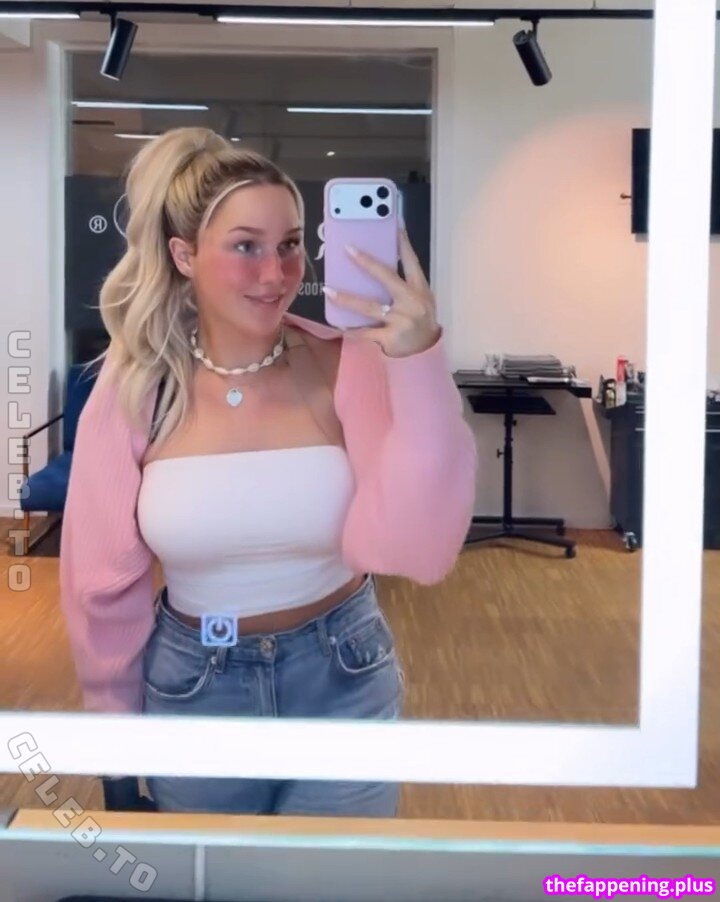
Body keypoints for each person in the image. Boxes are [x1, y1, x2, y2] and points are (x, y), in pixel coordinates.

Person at [59, 127, 478, 817]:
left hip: (343, 676)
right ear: (185, 255)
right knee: (213, 874)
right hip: (196, 688)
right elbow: (98, 584)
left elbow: (422, 549)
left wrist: (418, 360)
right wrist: (115, 749)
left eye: (290, 244)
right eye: (246, 246)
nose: (277, 273)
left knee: (332, 874)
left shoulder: (349, 363)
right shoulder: (137, 389)